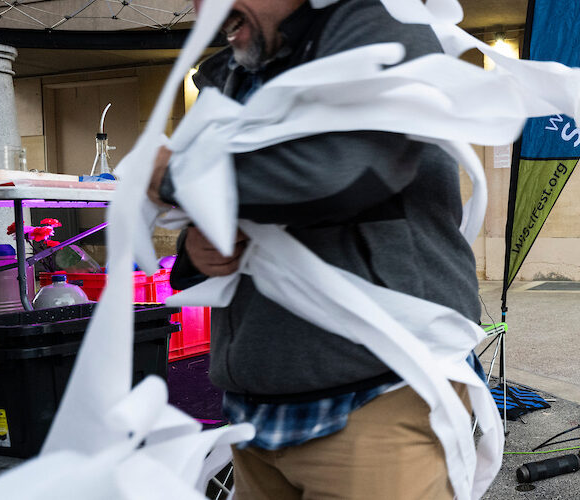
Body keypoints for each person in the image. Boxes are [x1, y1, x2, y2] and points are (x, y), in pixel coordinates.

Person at [147, 1, 479, 498]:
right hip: (256, 416)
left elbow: (339, 172)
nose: (203, 9)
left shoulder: (383, 22)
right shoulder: (233, 75)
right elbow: (242, 202)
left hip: (374, 406)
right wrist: (198, 247)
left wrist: (173, 176)